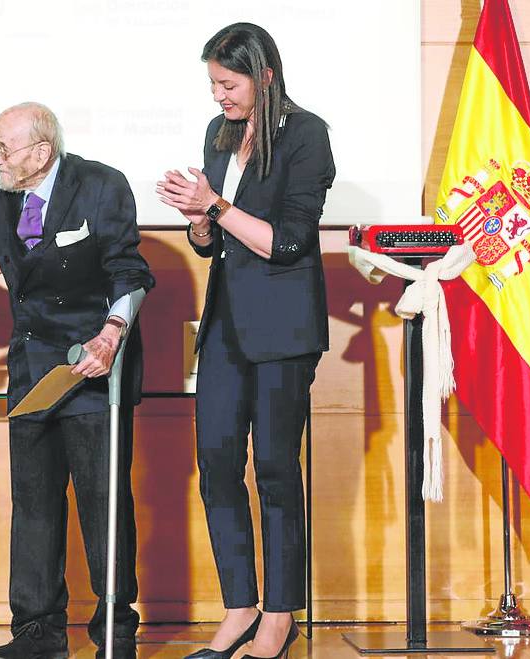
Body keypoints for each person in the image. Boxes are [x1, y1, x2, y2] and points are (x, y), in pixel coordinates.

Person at [0, 102, 154, 659]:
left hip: (92, 364)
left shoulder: (100, 185)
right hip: (30, 367)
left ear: (41, 152)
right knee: (34, 505)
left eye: (4, 148)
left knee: (103, 504)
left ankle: (114, 631)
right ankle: (37, 632)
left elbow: (129, 270)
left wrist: (111, 335)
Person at [156, 22, 335, 659]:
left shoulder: (306, 135)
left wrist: (216, 207)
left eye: (228, 84)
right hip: (225, 326)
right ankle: (240, 608)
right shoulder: (219, 133)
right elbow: (213, 246)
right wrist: (198, 221)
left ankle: (280, 617)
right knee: (217, 464)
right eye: (212, 85)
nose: (219, 97)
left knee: (277, 470)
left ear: (264, 76)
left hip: (284, 328)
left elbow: (288, 242)